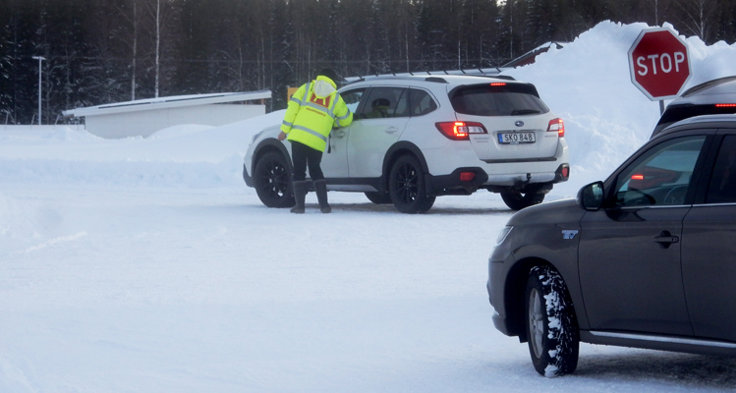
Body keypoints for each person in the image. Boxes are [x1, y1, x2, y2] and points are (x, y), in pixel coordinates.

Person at [278, 69, 353, 213]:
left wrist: (284, 130)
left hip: (299, 137)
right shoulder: (335, 97)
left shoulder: (306, 88)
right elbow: (346, 119)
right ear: (333, 81)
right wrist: (332, 123)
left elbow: (292, 109)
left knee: (298, 170)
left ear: (319, 77)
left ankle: (300, 207)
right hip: (317, 141)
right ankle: (324, 206)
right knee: (315, 169)